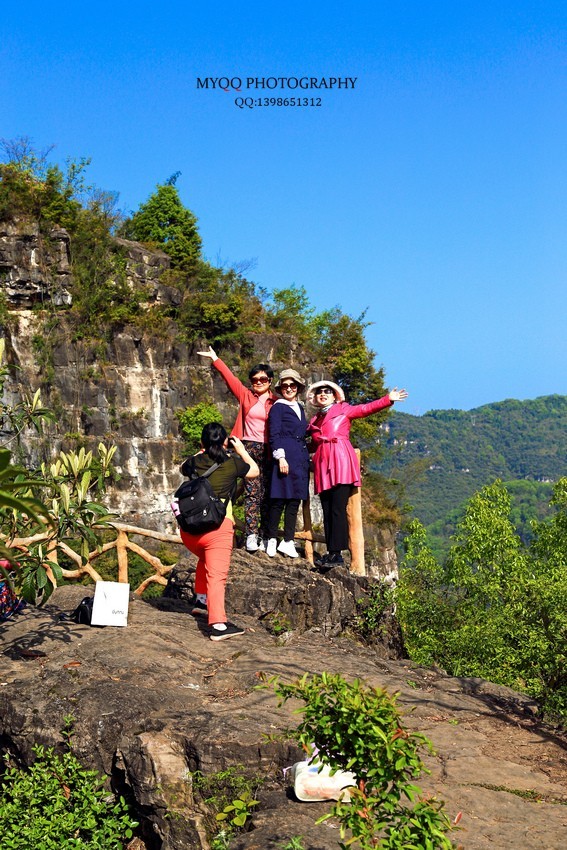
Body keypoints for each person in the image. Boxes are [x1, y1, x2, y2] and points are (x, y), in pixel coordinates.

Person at [306, 381, 408, 568]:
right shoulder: (314, 421)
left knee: (337, 508)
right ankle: (331, 553)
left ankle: (337, 554)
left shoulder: (344, 409)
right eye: (319, 391)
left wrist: (387, 400)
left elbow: (365, 409)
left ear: (335, 395)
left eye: (327, 391)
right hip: (322, 464)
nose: (323, 394)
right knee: (327, 510)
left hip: (340, 460)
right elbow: (311, 443)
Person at [178, 422, 259, 641]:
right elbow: (254, 471)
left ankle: (201, 601)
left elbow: (183, 467)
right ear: (224, 442)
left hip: (190, 532)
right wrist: (241, 451)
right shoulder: (232, 463)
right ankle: (218, 625)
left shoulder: (194, 462)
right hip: (217, 528)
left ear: (202, 442)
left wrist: (202, 449)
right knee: (218, 576)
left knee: (205, 560)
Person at [198, 346, 276, 552]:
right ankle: (251, 535)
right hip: (247, 447)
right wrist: (216, 359)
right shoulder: (246, 395)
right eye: (255, 379)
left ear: (270, 381)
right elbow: (229, 378)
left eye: (263, 379)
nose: (258, 382)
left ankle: (268, 536)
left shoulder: (276, 402)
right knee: (252, 492)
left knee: (269, 494)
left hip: (270, 449)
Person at [266, 369, 310, 558]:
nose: (289, 389)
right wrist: (280, 457)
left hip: (300, 457)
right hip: (285, 456)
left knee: (294, 501)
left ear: (298, 388)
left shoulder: (300, 407)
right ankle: (271, 538)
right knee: (278, 500)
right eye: (285, 386)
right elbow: (273, 434)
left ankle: (289, 541)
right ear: (281, 388)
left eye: (293, 385)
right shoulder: (278, 407)